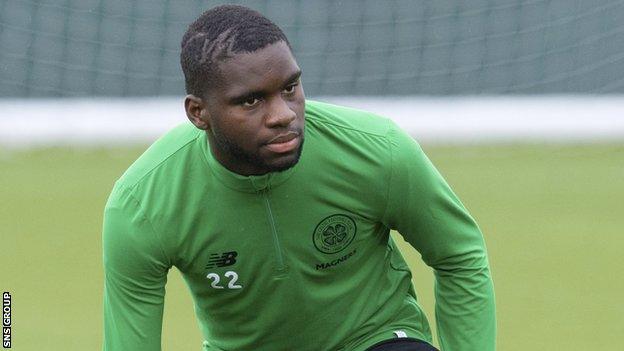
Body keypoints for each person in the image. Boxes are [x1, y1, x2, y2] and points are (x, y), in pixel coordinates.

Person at [102, 5, 496, 351]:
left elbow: (459, 256)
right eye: (251, 100)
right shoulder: (141, 204)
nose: (283, 114)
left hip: (373, 339)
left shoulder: (379, 150)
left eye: (290, 88)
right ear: (198, 113)